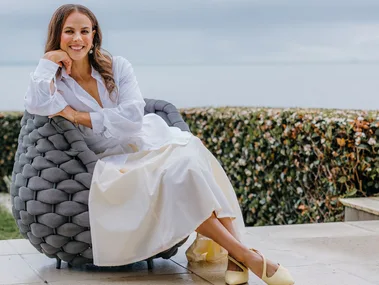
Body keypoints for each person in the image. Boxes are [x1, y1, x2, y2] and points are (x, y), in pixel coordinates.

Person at [24, 4, 294, 285]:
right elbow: (36, 103)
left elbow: (132, 120)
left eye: (84, 31)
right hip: (112, 161)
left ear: (94, 36)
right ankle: (246, 256)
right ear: (58, 35)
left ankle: (243, 257)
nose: (77, 39)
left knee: (189, 163)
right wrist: (48, 61)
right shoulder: (56, 79)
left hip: (149, 141)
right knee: (183, 175)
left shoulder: (118, 66)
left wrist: (78, 116)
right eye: (69, 32)